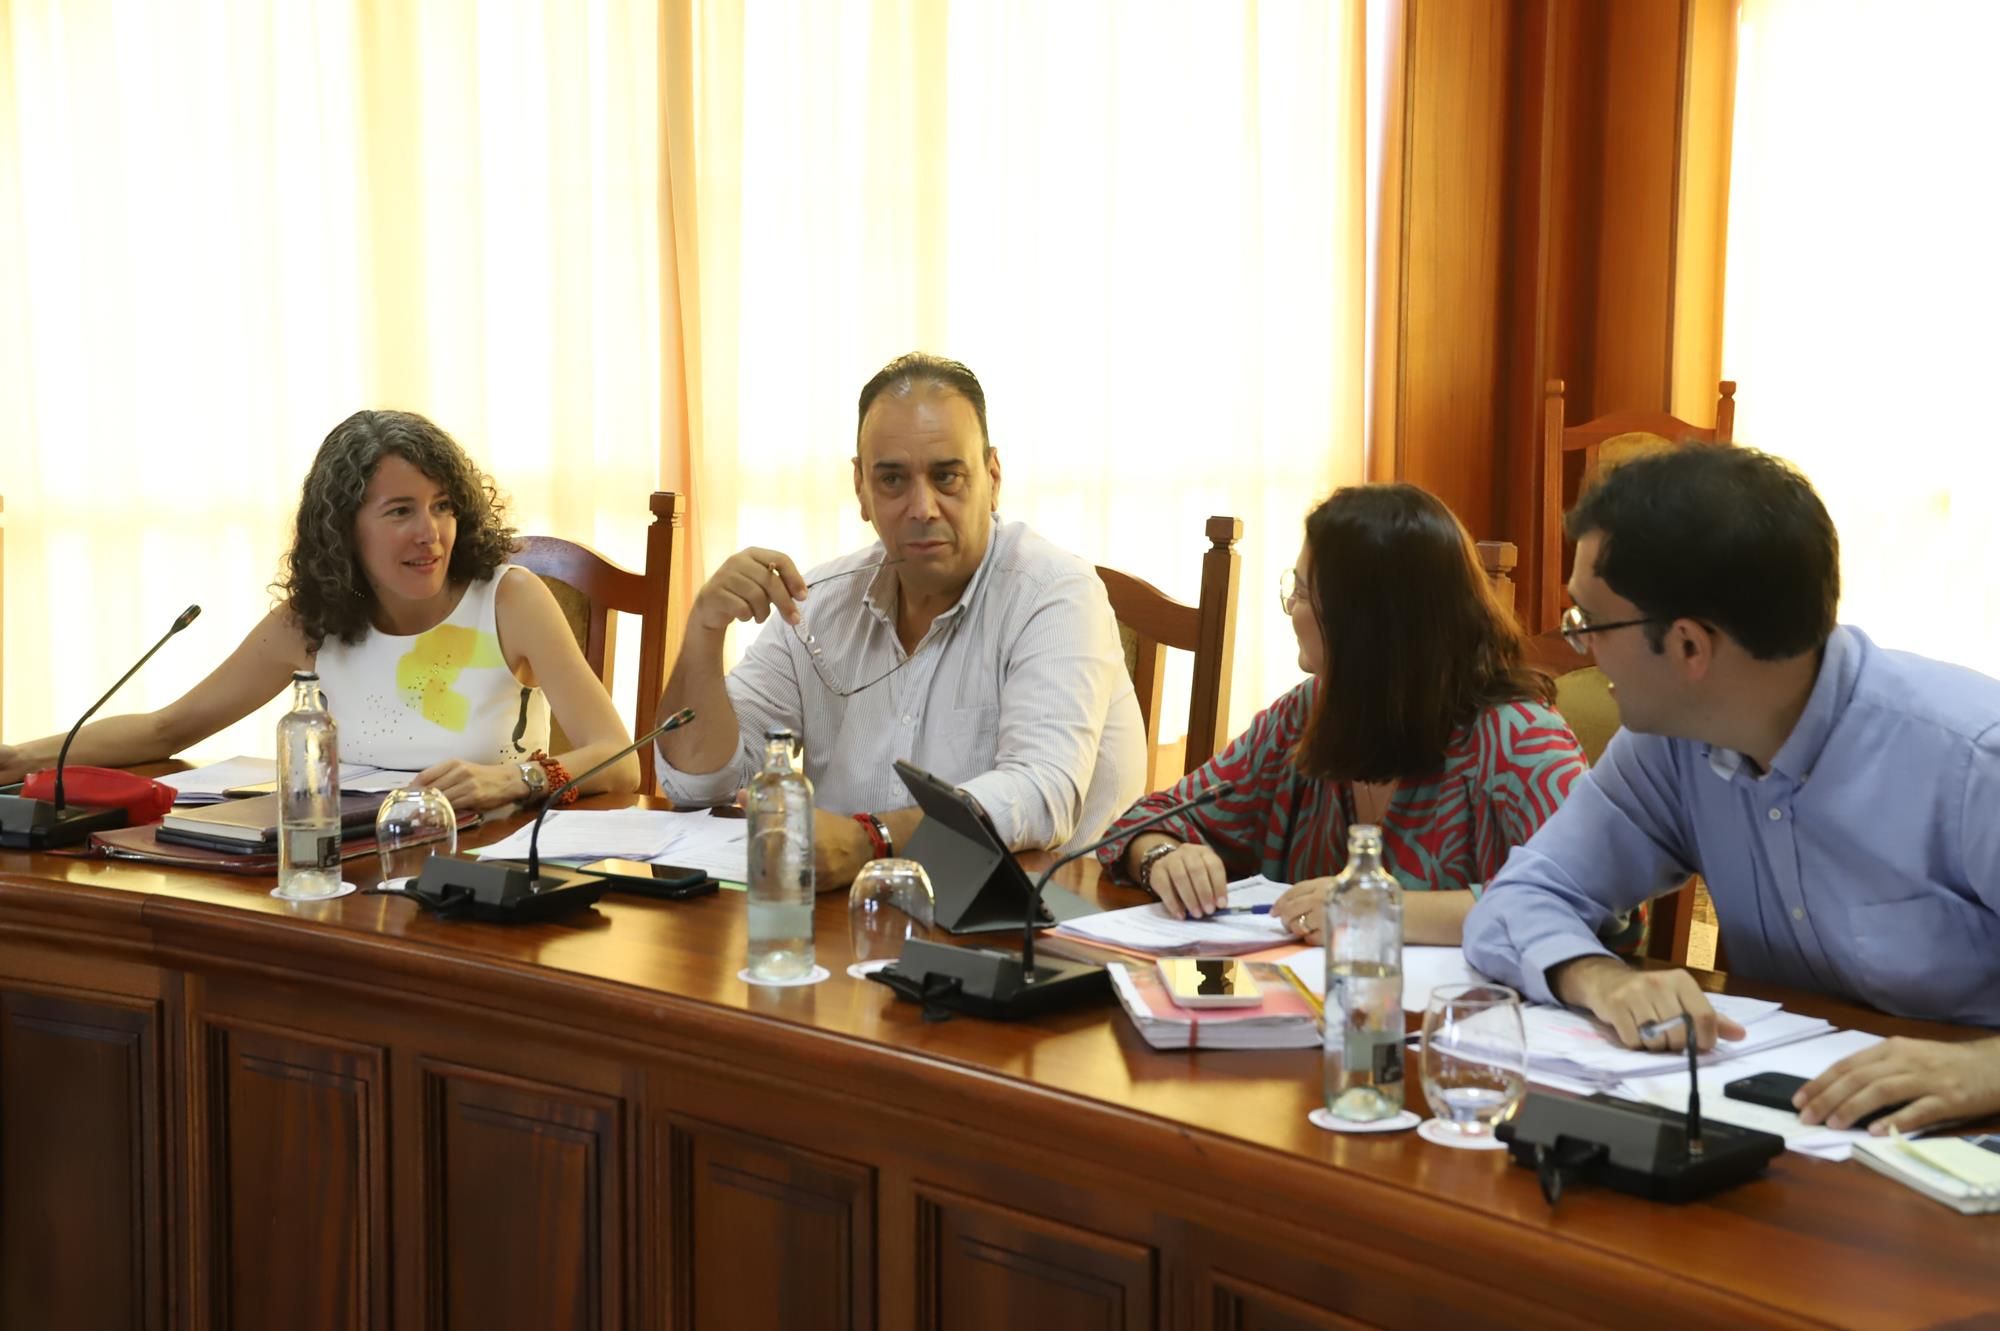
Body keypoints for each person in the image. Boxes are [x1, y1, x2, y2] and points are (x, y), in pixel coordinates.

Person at [1463, 444, 2000, 1135]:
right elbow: (1521, 897)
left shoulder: (1970, 759)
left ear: (1689, 646)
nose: (1580, 649)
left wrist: (1984, 1069)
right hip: (1796, 1134)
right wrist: (1599, 976)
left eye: (1589, 623)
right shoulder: (1670, 744)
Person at [654, 351, 1145, 891]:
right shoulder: (817, 605)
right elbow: (698, 784)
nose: (922, 507)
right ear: (861, 488)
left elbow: (1041, 795)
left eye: (947, 477)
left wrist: (872, 840)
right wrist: (703, 631)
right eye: (892, 480)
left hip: (1035, 933)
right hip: (853, 928)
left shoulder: (1053, 592)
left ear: (993, 476)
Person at [0, 410, 638, 812]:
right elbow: (170, 730)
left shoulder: (508, 599)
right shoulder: (313, 621)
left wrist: (512, 780)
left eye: (442, 506)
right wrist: (23, 758)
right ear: (343, 528)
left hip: (481, 863)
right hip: (348, 863)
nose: (431, 533)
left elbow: (619, 756)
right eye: (400, 511)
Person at [1098, 484, 1588, 945]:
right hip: (1305, 1013)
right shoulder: (1305, 712)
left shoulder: (1521, 739)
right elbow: (1145, 820)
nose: (1290, 606)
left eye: (1306, 593)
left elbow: (1587, 899)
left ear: (1369, 622)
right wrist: (1162, 856)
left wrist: (1379, 909)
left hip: (1458, 1025)